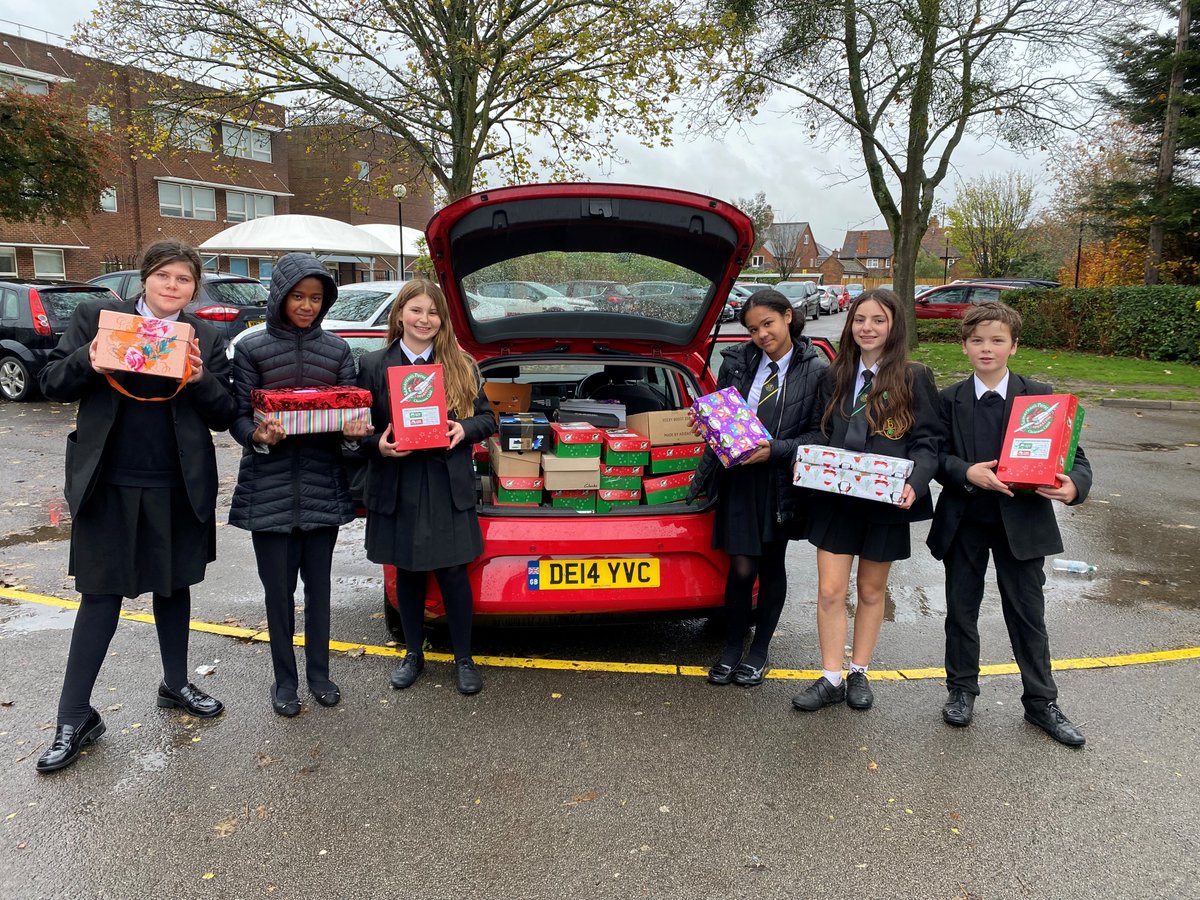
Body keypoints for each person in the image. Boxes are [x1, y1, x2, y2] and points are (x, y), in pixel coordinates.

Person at [35, 240, 235, 773]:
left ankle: (175, 683)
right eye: (164, 276)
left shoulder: (206, 336)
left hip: (175, 482)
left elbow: (224, 412)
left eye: (184, 280)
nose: (173, 286)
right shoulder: (97, 318)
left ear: (195, 289)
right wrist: (91, 357)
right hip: (109, 480)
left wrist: (200, 378)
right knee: (100, 595)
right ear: (145, 279)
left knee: (174, 586)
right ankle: (74, 716)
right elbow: (52, 382)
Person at [926, 302, 1092, 747]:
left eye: (997, 340)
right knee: (961, 611)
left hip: (1022, 524)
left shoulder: (1040, 396)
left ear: (1013, 346)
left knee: (1028, 615)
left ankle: (1041, 703)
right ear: (964, 346)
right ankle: (961, 690)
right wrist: (965, 472)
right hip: (966, 521)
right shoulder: (948, 400)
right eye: (977, 340)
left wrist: (1073, 486)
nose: (987, 348)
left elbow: (1075, 459)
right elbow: (935, 456)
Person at [228, 253, 374, 717]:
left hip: (321, 485)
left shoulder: (337, 352)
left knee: (320, 589)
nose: (307, 306)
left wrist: (354, 439)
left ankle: (320, 675)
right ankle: (284, 681)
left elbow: (352, 417)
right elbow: (236, 413)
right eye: (298, 296)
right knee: (277, 593)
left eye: (316, 298)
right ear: (279, 296)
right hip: (267, 487)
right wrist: (255, 434)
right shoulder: (251, 348)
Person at [793, 288, 942, 713]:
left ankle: (859, 671)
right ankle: (830, 677)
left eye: (878, 320)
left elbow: (929, 440)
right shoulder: (834, 375)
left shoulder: (914, 377)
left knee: (872, 591)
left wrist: (918, 478)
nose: (868, 328)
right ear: (850, 325)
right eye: (860, 320)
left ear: (893, 326)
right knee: (829, 591)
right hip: (836, 502)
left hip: (886, 502)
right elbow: (820, 435)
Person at [355, 279, 496, 695]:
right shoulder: (372, 365)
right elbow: (354, 430)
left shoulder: (462, 364)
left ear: (442, 320)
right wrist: (376, 444)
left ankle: (464, 658)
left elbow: (489, 420)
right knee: (409, 573)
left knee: (453, 573)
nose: (425, 319)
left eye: (433, 312)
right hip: (397, 482)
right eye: (416, 310)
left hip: (445, 480)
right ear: (399, 314)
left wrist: (463, 428)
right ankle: (413, 653)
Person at [687, 289, 826, 686]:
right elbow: (722, 412)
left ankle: (759, 652)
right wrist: (707, 422)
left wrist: (776, 451)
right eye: (753, 329)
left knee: (770, 564)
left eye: (768, 324)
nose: (762, 334)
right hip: (738, 478)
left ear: (787, 317)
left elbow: (820, 435)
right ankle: (732, 648)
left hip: (779, 480)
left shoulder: (815, 370)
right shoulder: (738, 363)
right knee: (741, 566)